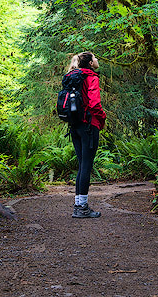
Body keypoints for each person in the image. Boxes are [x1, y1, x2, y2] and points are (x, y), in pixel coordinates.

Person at [67, 51, 106, 218]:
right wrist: (102, 117)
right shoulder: (91, 77)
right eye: (95, 58)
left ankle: (78, 205)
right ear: (90, 63)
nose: (97, 60)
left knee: (82, 165)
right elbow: (95, 103)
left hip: (74, 125)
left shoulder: (73, 76)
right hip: (89, 125)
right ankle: (82, 207)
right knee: (86, 166)